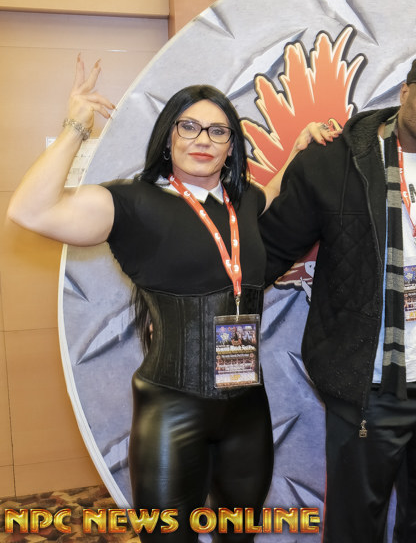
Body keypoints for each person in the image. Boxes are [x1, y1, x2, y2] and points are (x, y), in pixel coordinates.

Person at [6, 56, 323, 542]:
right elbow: (30, 210)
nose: (202, 139)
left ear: (231, 146)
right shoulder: (132, 204)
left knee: (238, 534)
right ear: (169, 136)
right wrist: (75, 126)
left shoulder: (244, 202)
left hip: (247, 409)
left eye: (218, 131)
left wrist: (301, 149)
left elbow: (272, 195)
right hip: (173, 411)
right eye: (189, 126)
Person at [260, 46, 416, 542]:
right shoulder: (338, 161)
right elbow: (270, 250)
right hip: (369, 383)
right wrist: (198, 301)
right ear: (404, 92)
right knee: (354, 527)